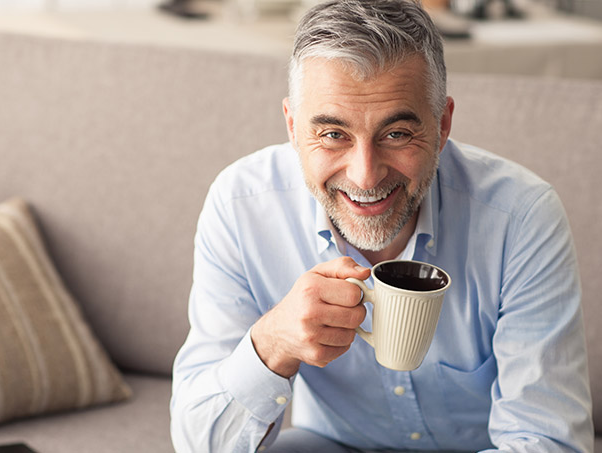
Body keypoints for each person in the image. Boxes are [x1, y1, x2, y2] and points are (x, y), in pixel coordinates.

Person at [170, 0, 594, 451]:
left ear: (444, 123)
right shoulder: (241, 206)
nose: (365, 175)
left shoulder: (521, 216)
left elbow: (547, 441)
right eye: (333, 135)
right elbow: (201, 443)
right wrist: (272, 343)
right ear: (293, 127)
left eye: (396, 134)